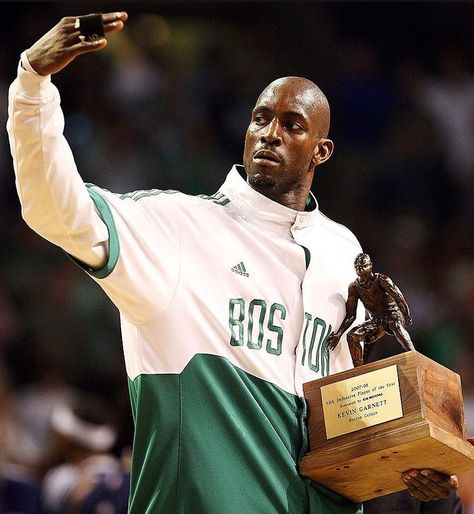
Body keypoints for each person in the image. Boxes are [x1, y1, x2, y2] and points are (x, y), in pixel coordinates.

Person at [6, 11, 460, 514]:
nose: (270, 133)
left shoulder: (344, 253)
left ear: (322, 151)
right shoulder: (177, 225)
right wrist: (33, 85)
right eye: (261, 118)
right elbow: (55, 208)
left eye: (292, 125)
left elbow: (341, 426)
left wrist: (417, 467)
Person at [328, 252, 415, 366]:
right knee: (352, 336)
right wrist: (338, 334)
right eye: (358, 267)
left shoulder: (382, 280)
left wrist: (406, 315)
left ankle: (413, 355)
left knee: (394, 324)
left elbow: (398, 297)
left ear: (370, 266)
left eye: (364, 265)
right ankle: (359, 372)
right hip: (375, 320)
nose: (361, 269)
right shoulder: (354, 287)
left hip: (392, 314)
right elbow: (351, 315)